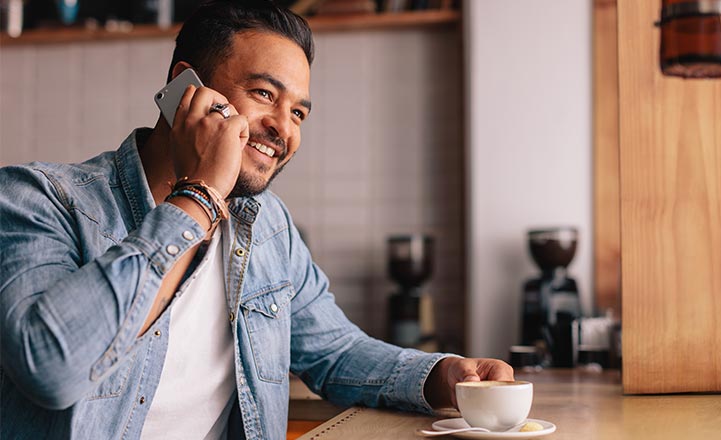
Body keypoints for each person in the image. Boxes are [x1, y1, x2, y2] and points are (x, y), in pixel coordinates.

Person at [0, 1, 513, 438]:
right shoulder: (38, 199)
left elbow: (335, 351)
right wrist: (199, 195)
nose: (282, 129)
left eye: (298, 113)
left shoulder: (268, 226)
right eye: (265, 94)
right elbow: (51, 367)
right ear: (186, 88)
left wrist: (445, 376)